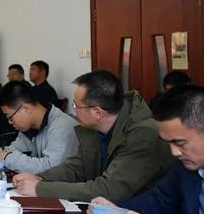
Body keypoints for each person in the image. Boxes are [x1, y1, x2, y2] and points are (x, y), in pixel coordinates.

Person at [90, 86, 204, 214]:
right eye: (169, 143)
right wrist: (116, 211)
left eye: (180, 142)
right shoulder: (187, 167)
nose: (174, 152)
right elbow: (158, 201)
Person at [13, 70, 173, 202]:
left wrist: (40, 188)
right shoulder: (94, 127)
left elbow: (107, 190)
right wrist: (38, 178)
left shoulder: (143, 134)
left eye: (76, 106)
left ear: (97, 112)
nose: (73, 111)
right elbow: (76, 168)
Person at [0, 81, 78, 174]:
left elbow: (52, 169)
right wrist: (2, 153)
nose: (10, 122)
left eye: (10, 117)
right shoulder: (29, 127)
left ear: (26, 109)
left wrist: (8, 158)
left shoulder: (62, 126)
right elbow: (15, 150)